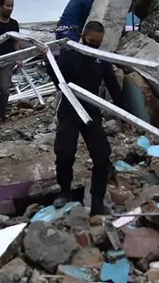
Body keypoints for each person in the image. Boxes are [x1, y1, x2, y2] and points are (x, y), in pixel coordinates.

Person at [52, 21, 124, 216]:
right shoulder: (70, 54)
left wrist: (124, 113)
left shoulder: (101, 59)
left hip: (91, 112)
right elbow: (58, 80)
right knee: (65, 152)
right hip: (70, 109)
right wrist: (47, 61)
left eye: (98, 43)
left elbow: (113, 86)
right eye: (92, 42)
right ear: (84, 36)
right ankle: (65, 192)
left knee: (102, 156)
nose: (94, 46)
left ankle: (97, 203)